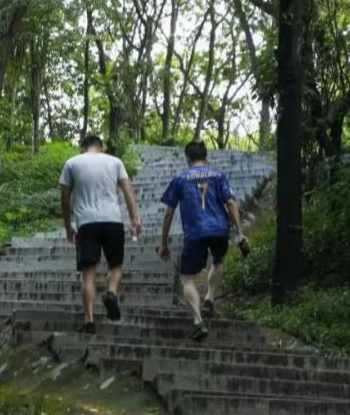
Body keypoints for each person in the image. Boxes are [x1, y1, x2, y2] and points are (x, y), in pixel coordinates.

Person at [158, 141, 248, 341]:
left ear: (187, 159)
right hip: (220, 230)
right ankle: (210, 296)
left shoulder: (180, 179)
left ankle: (198, 321)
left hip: (195, 232)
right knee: (217, 261)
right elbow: (231, 203)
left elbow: (169, 213)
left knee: (187, 278)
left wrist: (164, 244)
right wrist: (239, 232)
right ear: (206, 157)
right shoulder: (218, 175)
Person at [59, 134, 142, 333]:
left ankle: (89, 321)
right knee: (116, 265)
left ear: (82, 148)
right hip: (113, 220)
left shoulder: (72, 163)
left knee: (88, 273)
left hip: (86, 223)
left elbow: (65, 199)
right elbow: (128, 191)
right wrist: (134, 218)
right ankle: (111, 292)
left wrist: (68, 226)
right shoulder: (115, 162)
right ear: (102, 147)